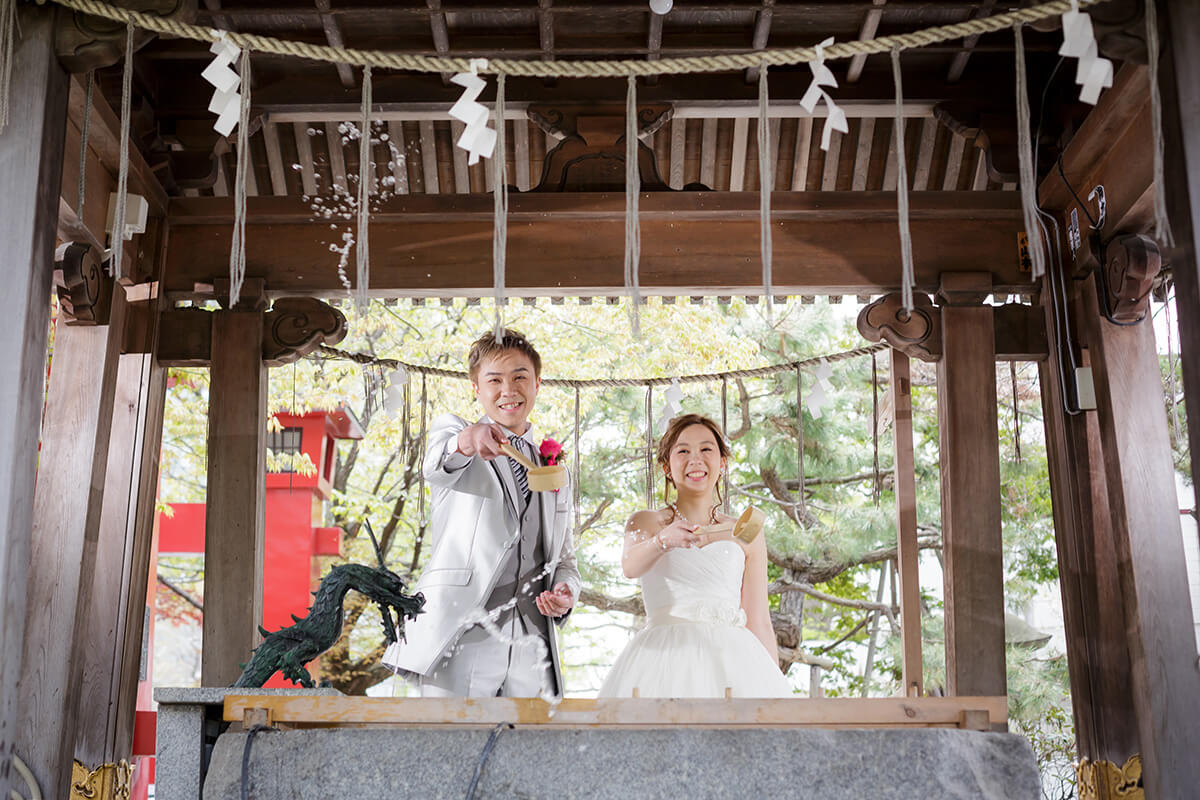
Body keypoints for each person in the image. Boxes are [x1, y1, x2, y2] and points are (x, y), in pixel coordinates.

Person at [382, 329, 580, 697]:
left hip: (533, 642)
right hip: (460, 632)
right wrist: (470, 439)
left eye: (520, 377)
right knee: (450, 750)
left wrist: (567, 593)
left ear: (537, 383)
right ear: (476, 387)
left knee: (533, 750)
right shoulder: (456, 434)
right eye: (495, 380)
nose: (509, 389)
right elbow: (436, 464)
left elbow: (564, 558)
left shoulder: (554, 470)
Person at [599, 413, 791, 698]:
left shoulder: (748, 528)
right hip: (662, 658)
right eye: (683, 451)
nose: (695, 459)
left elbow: (758, 618)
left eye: (706, 449)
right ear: (667, 467)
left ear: (722, 464)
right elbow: (630, 566)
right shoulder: (645, 522)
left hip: (734, 660)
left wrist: (776, 689)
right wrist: (663, 541)